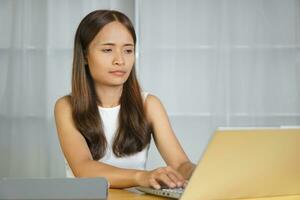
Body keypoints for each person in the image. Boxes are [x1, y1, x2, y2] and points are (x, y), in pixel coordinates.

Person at [54, 9, 195, 189]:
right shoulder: (66, 107)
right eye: (107, 50)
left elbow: (180, 165)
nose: (120, 60)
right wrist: (141, 177)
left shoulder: (149, 105)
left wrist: (200, 172)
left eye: (128, 50)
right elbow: (83, 168)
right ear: (84, 56)